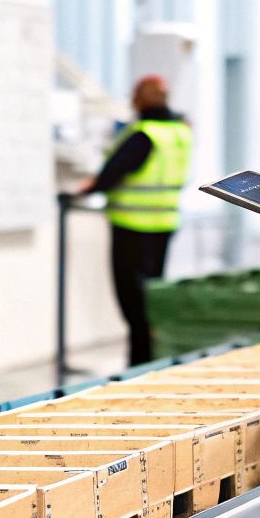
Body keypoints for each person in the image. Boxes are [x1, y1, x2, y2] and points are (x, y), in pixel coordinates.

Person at [78, 76, 193, 365]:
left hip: (132, 227)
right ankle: (150, 362)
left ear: (138, 99)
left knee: (134, 305)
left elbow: (113, 172)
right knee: (152, 300)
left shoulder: (144, 134)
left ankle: (139, 365)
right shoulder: (180, 132)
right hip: (164, 225)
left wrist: (90, 186)